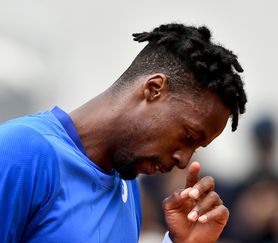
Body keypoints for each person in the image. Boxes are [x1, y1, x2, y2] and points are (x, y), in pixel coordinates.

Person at [0, 23, 247, 243]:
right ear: (154, 90)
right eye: (189, 137)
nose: (183, 161)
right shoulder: (21, 151)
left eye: (195, 149)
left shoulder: (127, 187)